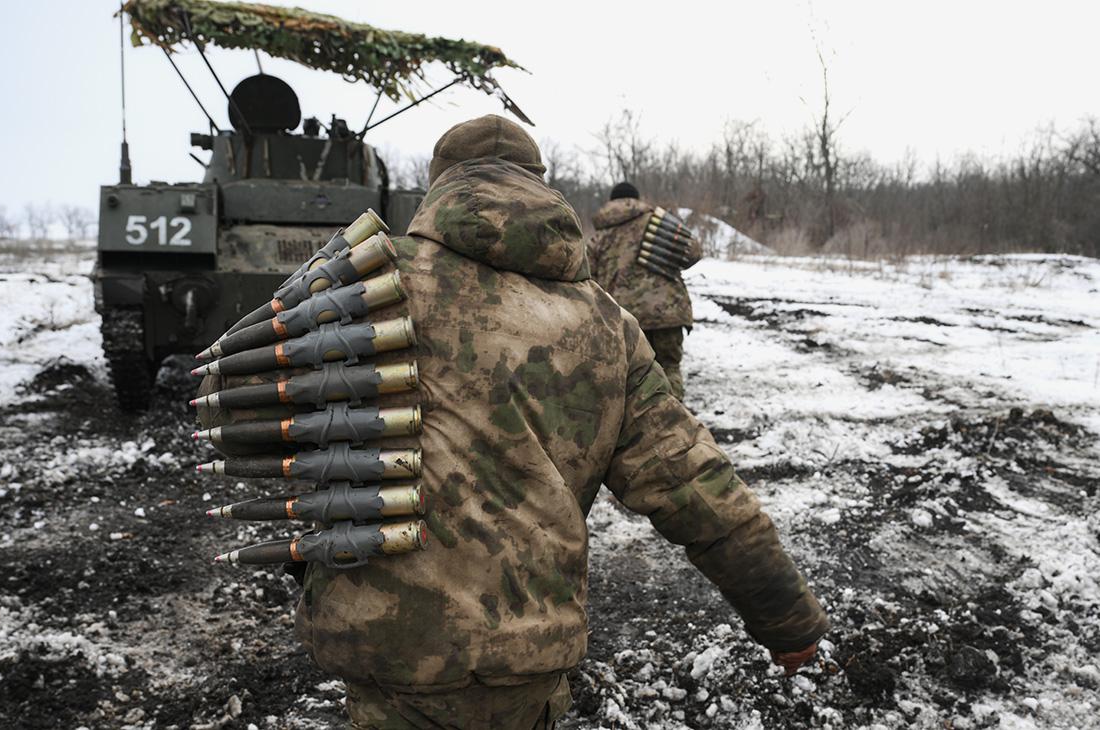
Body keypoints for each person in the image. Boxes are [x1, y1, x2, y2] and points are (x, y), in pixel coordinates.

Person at [204, 115, 828, 729]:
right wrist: (785, 619)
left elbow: (231, 390)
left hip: (387, 638)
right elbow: (697, 488)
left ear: (438, 188)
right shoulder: (606, 326)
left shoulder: (372, 280)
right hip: (526, 647)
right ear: (540, 185)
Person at [586, 183, 695, 400]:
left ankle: (635, 427)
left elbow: (589, 279)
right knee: (669, 368)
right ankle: (673, 423)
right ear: (637, 198)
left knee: (629, 375)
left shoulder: (600, 235)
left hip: (623, 318)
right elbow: (692, 252)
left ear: (611, 201)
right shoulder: (657, 221)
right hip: (668, 312)